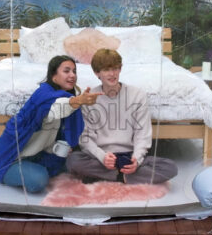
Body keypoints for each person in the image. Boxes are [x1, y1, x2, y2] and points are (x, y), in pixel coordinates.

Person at [0, 55, 103, 193]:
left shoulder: (63, 96)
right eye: (66, 71)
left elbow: (58, 128)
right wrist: (77, 101)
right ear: (53, 76)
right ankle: (23, 172)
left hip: (39, 154)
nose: (72, 75)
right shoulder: (43, 95)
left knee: (75, 163)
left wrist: (61, 146)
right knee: (39, 179)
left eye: (74, 71)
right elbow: (55, 109)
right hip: (11, 160)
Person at [66, 49, 178, 184]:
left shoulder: (137, 95)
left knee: (170, 168)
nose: (112, 74)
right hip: (102, 157)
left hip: (130, 155)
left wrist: (136, 160)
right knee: (73, 161)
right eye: (106, 69)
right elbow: (86, 139)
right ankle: (124, 177)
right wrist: (102, 157)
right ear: (97, 73)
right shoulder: (89, 99)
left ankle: (112, 176)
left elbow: (142, 134)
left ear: (120, 69)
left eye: (115, 69)